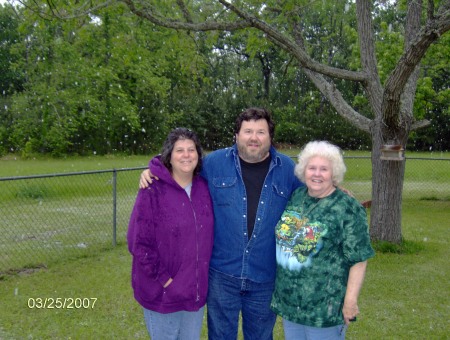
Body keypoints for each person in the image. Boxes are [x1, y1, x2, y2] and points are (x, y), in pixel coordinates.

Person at [140, 108, 303, 339]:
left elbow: (314, 192)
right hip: (221, 274)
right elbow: (182, 167)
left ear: (270, 137)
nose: (253, 137)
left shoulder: (288, 169)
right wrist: (155, 169)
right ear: (236, 135)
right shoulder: (214, 163)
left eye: (260, 132)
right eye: (247, 131)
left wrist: (336, 191)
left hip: (265, 276)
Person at [270, 140, 375, 340]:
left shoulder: (348, 208)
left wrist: (350, 301)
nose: (317, 174)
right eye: (312, 168)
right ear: (304, 171)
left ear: (333, 174)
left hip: (325, 308)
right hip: (290, 303)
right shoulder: (297, 196)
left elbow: (359, 258)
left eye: (324, 169)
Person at [127, 127, 214, 340]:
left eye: (191, 150)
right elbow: (138, 242)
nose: (186, 155)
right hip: (163, 293)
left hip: (194, 291)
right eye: (179, 150)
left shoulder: (204, 187)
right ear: (169, 156)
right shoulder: (152, 189)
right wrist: (166, 280)